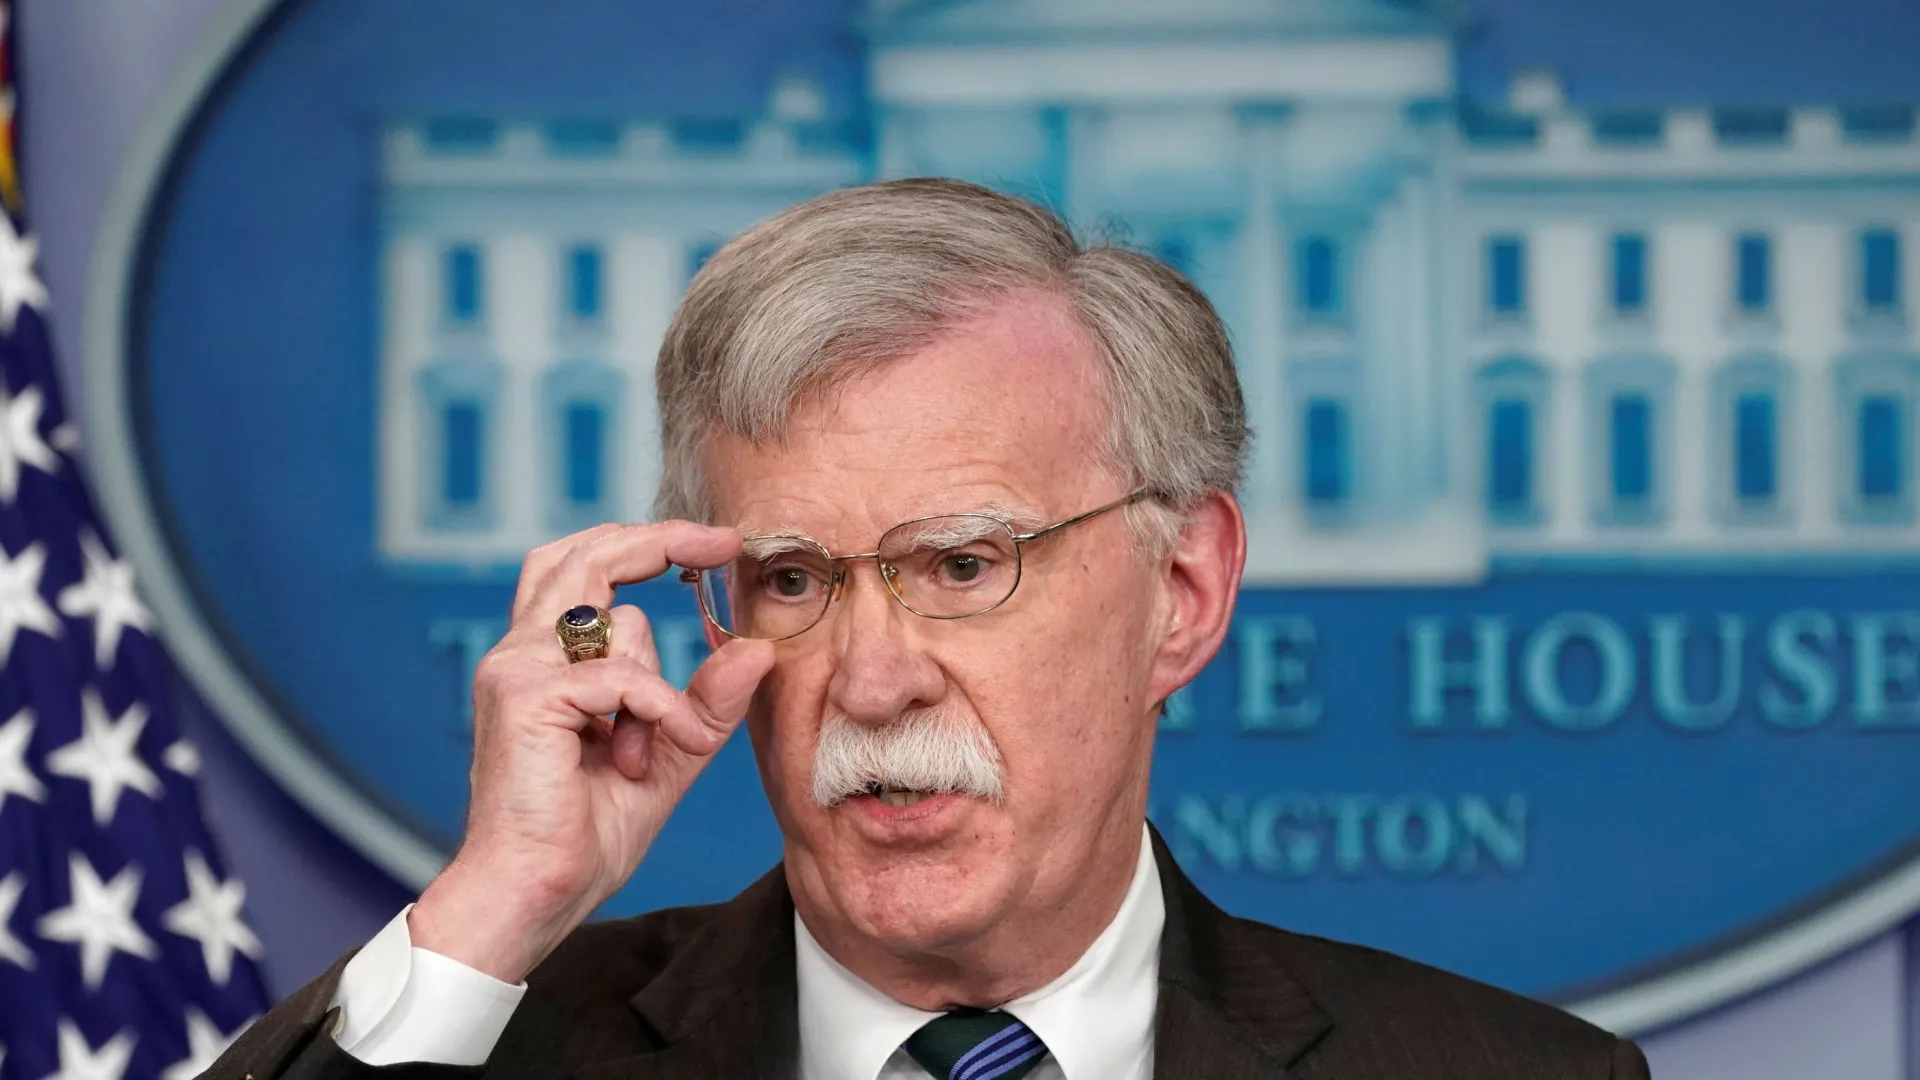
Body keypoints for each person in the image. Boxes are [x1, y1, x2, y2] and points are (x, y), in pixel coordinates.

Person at [204, 178, 1649, 1080]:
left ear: (1183, 593)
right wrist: (493, 905)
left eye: (963, 563)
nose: (873, 679)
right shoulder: (490, 1049)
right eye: (791, 578)